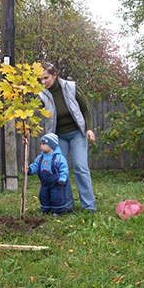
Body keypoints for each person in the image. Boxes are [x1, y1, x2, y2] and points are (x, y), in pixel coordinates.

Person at [38, 62, 96, 213]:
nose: (43, 82)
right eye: (41, 79)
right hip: (58, 137)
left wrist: (89, 128)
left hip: (77, 132)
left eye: (46, 78)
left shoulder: (71, 87)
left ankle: (88, 206)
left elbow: (86, 108)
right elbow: (34, 114)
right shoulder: (42, 95)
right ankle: (67, 204)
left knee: (80, 167)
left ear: (55, 75)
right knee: (60, 170)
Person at [27, 133, 69, 215]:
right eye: (40, 144)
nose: (41, 146)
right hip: (44, 182)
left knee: (56, 196)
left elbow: (64, 169)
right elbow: (36, 165)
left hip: (56, 182)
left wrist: (62, 179)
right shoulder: (40, 157)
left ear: (51, 145)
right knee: (43, 195)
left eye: (43, 144)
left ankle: (58, 211)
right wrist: (30, 169)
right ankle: (45, 209)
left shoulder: (58, 158)